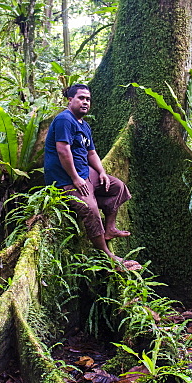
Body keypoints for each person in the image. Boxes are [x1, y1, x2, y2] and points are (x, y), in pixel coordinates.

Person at [43, 84, 141, 270]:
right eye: (81, 98)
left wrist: (102, 172)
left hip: (86, 173)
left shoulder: (84, 125)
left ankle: (110, 229)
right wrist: (75, 178)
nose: (85, 102)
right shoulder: (64, 120)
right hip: (66, 179)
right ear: (70, 100)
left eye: (88, 99)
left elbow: (91, 153)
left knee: (117, 187)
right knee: (91, 209)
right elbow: (63, 151)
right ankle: (109, 257)